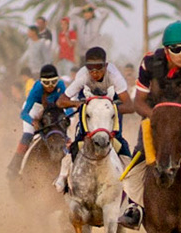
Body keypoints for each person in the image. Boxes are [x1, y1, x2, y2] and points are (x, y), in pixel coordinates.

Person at [117, 21, 181, 228]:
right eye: (177, 49)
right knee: (139, 155)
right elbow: (139, 102)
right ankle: (134, 208)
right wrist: (158, 117)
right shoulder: (149, 63)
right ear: (167, 50)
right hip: (155, 116)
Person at [56, 45, 131, 191]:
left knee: (119, 141)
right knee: (79, 140)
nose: (95, 73)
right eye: (91, 68)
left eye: (99, 67)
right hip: (88, 105)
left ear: (106, 65)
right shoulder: (83, 76)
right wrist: (78, 104)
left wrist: (108, 109)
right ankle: (64, 178)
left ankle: (130, 177)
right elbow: (60, 101)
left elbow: (130, 105)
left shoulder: (114, 76)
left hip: (110, 107)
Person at [8, 63, 73, 178]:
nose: (50, 86)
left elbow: (68, 107)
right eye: (46, 83)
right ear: (41, 82)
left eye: (53, 82)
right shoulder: (36, 89)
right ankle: (15, 166)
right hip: (36, 109)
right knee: (28, 135)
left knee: (65, 131)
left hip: (53, 109)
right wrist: (33, 122)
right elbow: (23, 113)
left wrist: (67, 116)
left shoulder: (61, 86)